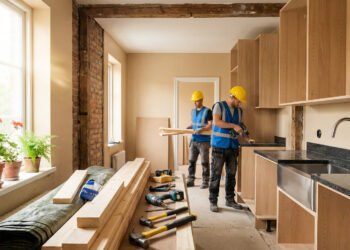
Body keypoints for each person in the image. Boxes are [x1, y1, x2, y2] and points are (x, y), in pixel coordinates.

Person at [209, 86, 251, 212]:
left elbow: (239, 127)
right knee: (216, 175)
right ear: (232, 97)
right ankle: (213, 201)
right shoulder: (219, 106)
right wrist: (234, 125)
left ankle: (230, 200)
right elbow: (217, 122)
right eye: (238, 100)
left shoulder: (239, 111)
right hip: (219, 145)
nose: (240, 103)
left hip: (233, 146)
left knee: (231, 175)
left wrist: (246, 136)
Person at [186, 90, 213, 189]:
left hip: (204, 141)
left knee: (204, 162)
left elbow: (210, 125)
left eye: (196, 101)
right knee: (191, 161)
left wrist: (201, 129)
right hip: (194, 140)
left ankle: (205, 181)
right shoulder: (192, 111)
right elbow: (193, 123)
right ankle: (190, 179)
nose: (194, 103)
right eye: (194, 101)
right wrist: (188, 127)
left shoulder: (208, 111)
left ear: (201, 100)